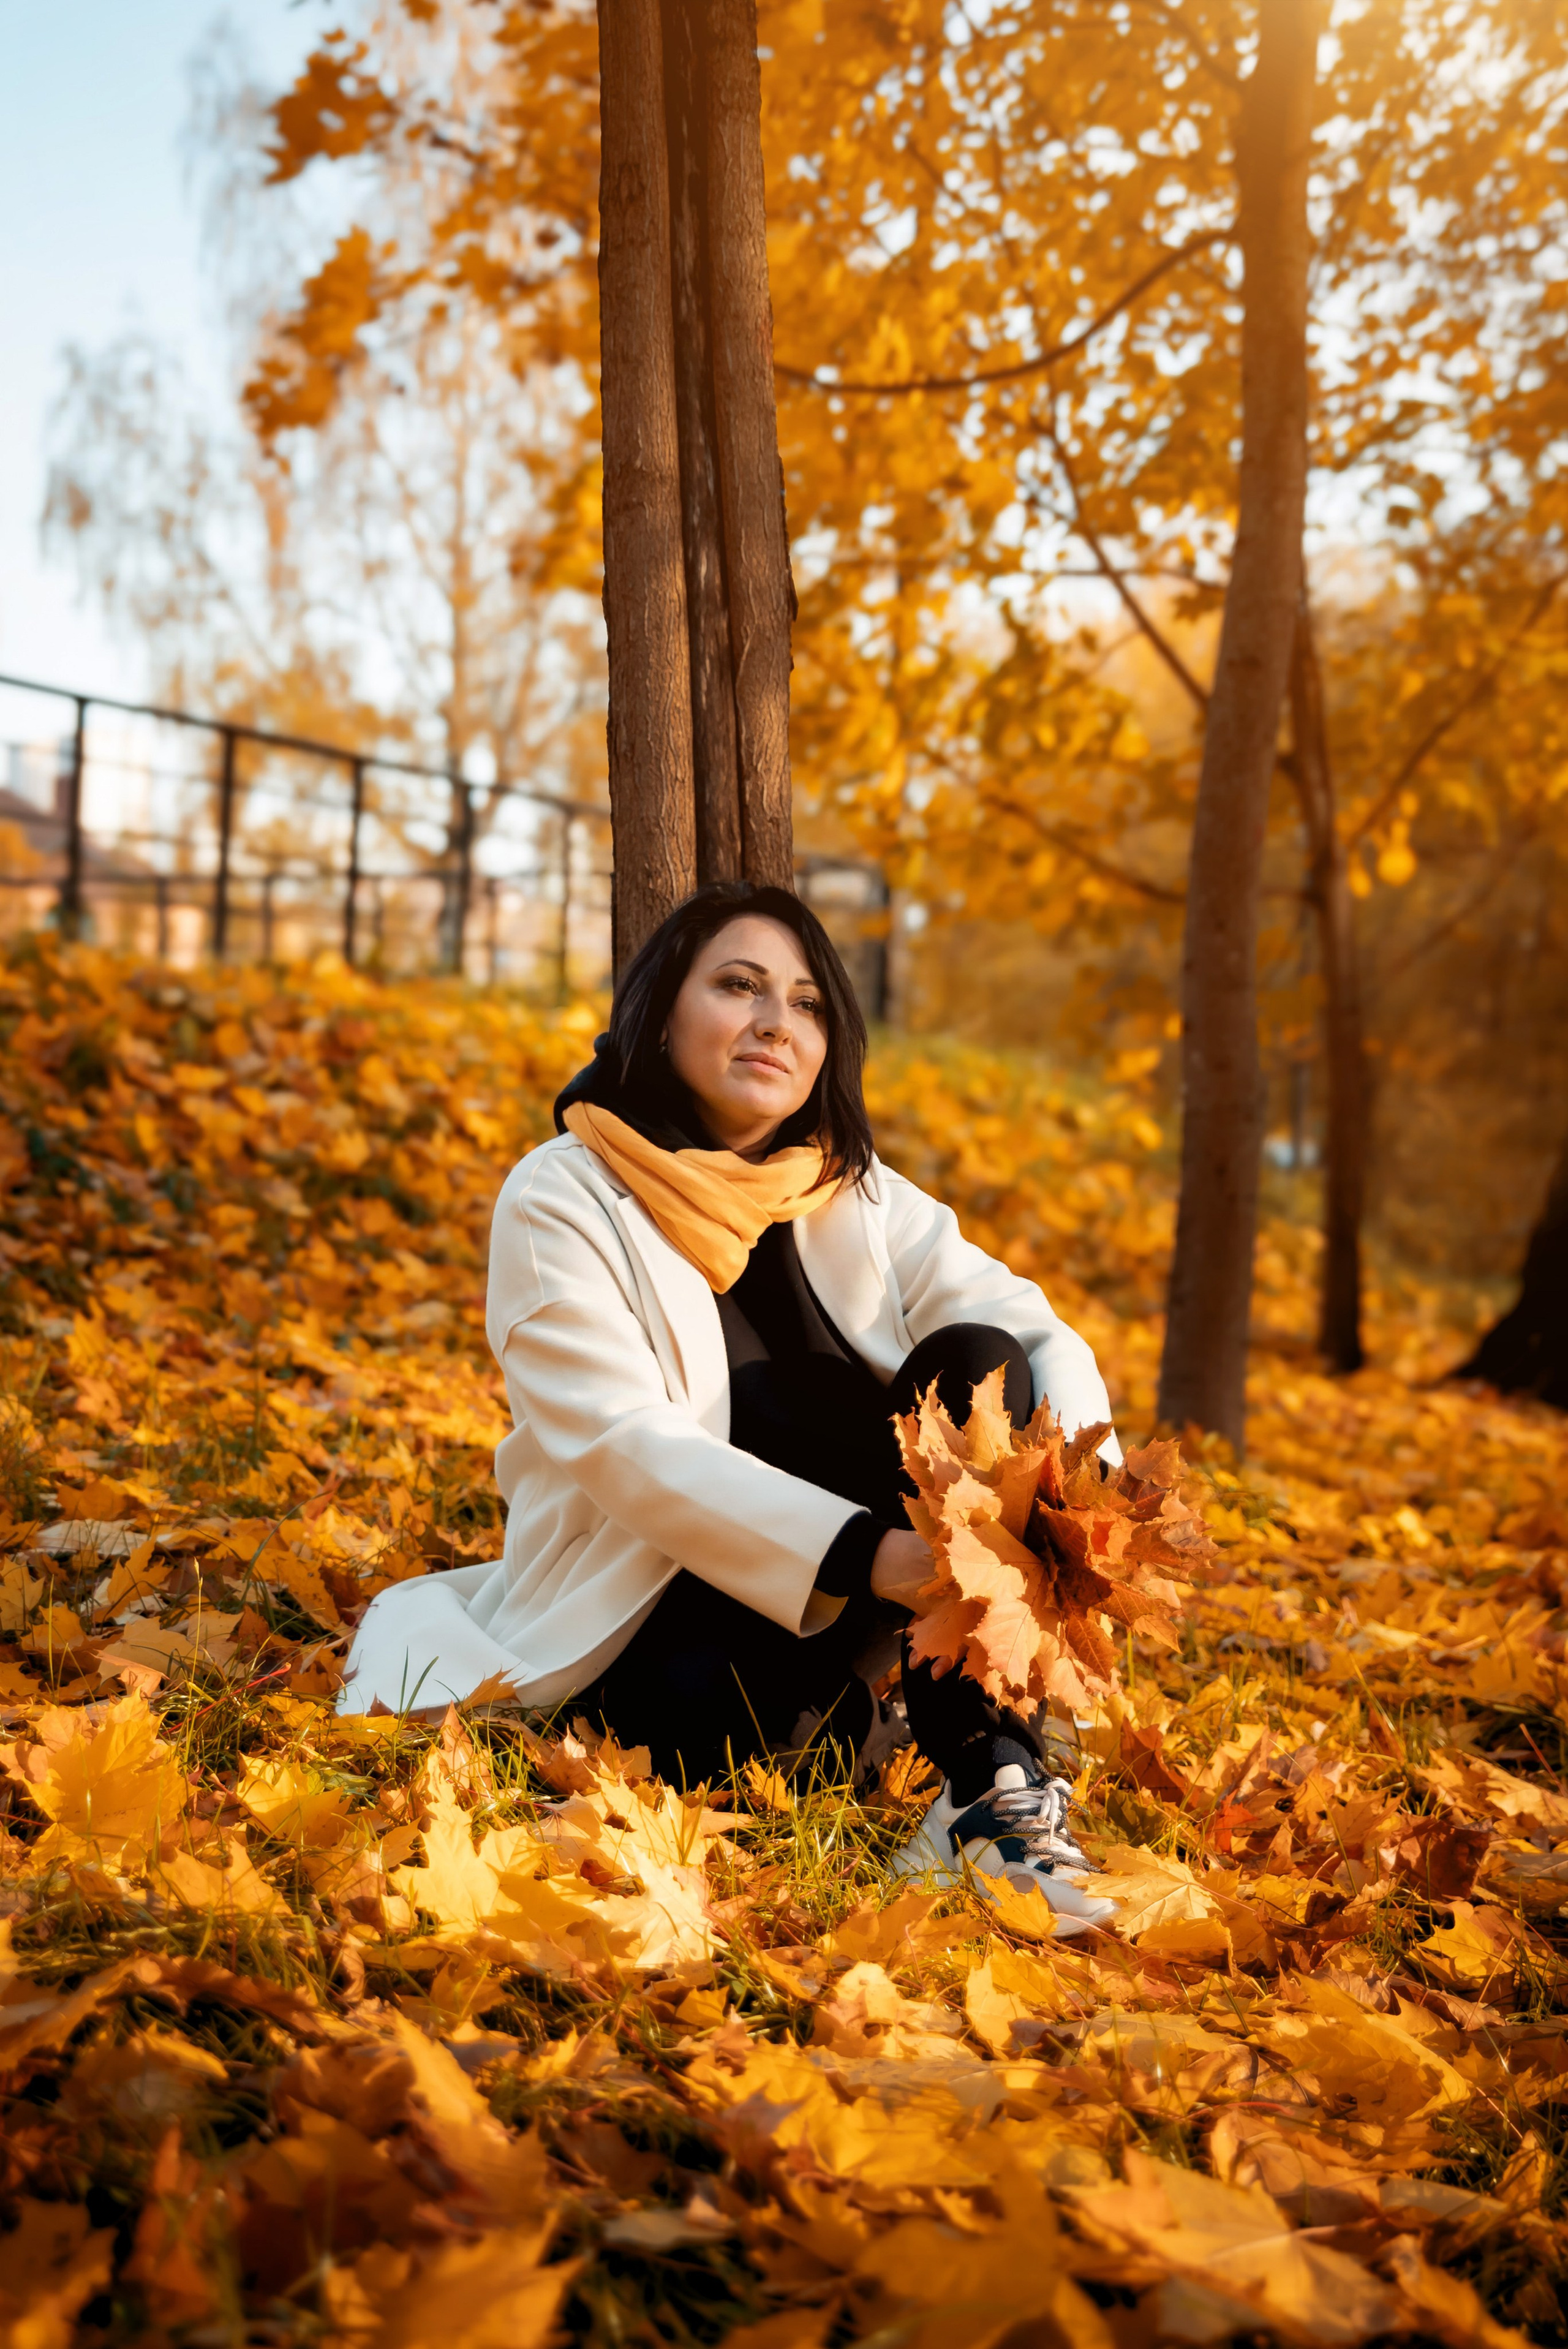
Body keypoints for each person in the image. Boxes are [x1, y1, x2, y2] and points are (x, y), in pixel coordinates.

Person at [341, 882, 1119, 1929]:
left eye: (806, 1004)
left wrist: (1077, 1493)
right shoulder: (562, 1195)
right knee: (752, 1729)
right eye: (738, 987)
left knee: (980, 1361)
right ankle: (920, 1748)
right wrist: (867, 1557)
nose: (774, 1023)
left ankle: (991, 1790)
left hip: (866, 1626)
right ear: (663, 1010)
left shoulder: (854, 1190)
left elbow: (1030, 1328)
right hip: (659, 1633)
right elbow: (625, 1444)